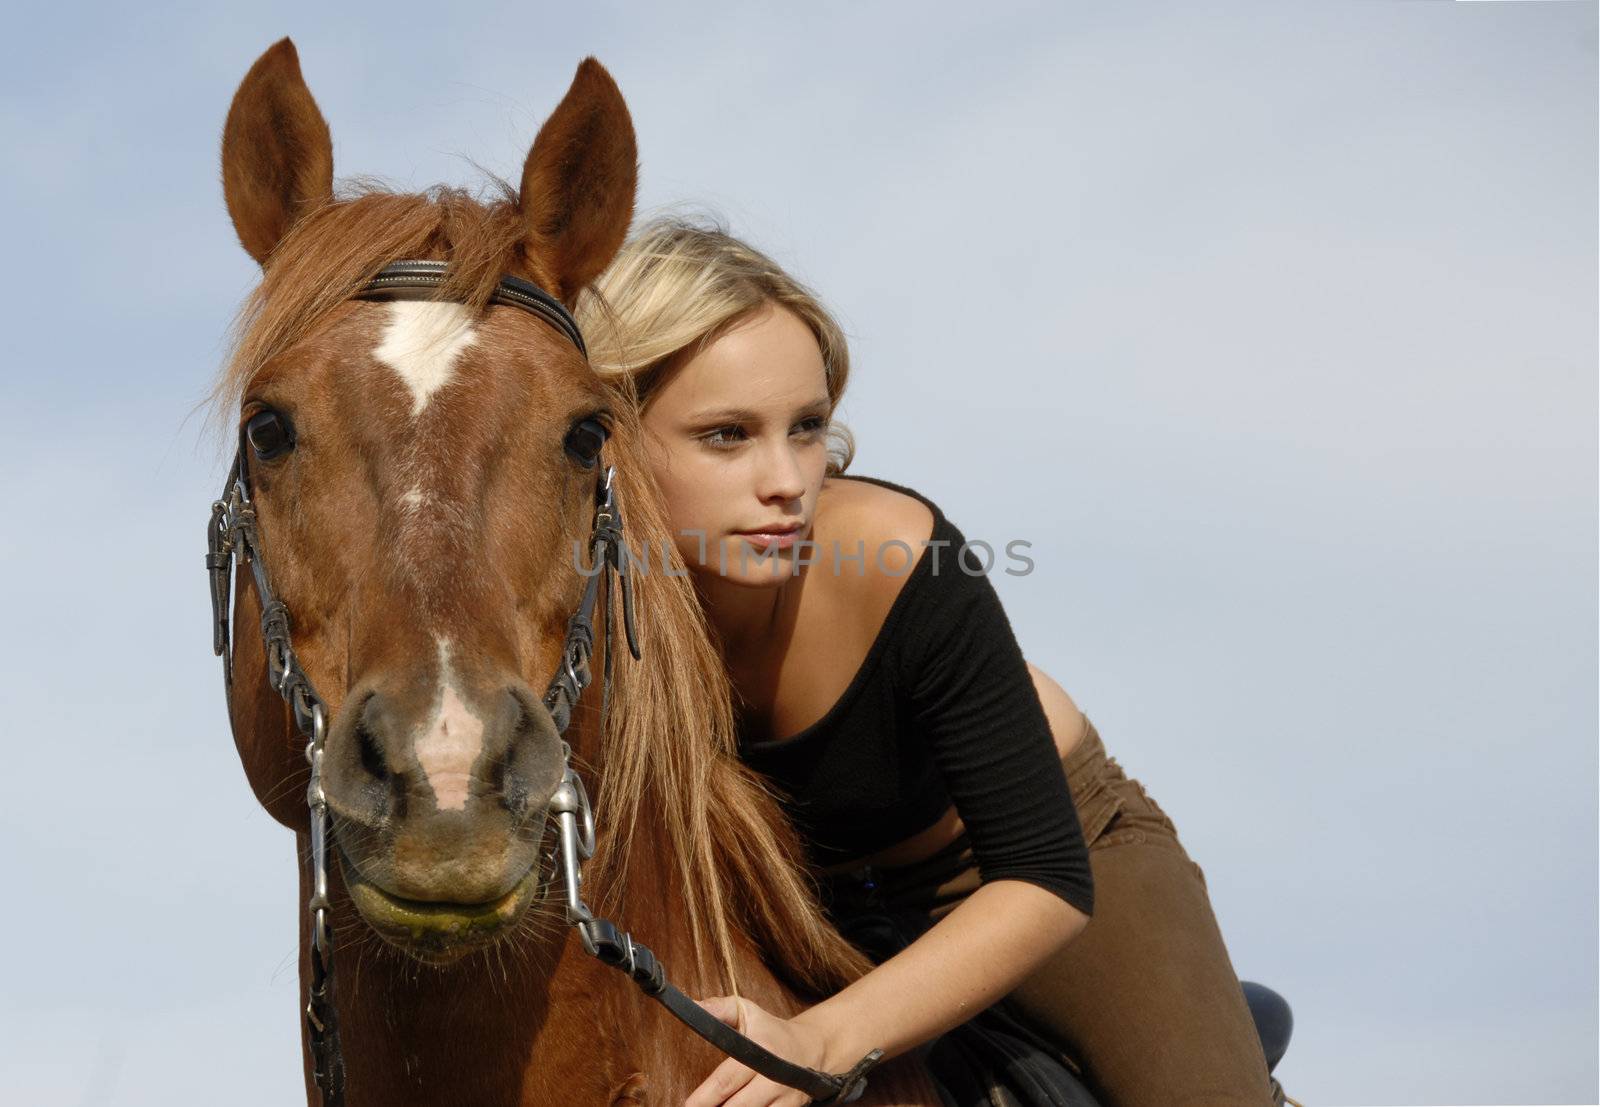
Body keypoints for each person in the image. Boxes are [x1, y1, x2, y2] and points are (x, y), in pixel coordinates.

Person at [573, 217, 1281, 1107]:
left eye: (807, 428)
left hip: (1034, 866)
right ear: (606, 436)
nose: (788, 478)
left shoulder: (903, 558)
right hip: (804, 905)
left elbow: (1046, 878)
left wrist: (824, 1035)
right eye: (727, 435)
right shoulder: (580, 605)